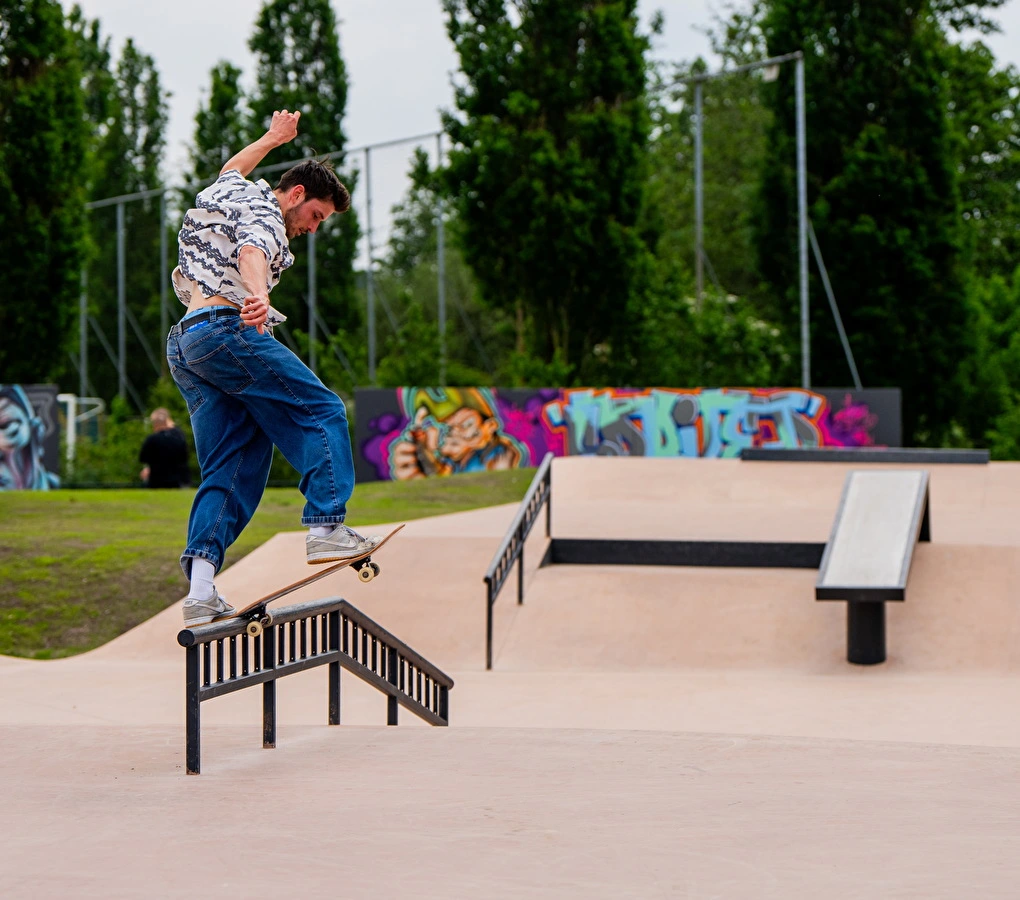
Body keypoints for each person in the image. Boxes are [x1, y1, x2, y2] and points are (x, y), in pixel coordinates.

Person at [167, 109, 379, 626]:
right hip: (226, 331)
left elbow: (229, 169)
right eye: (316, 218)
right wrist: (259, 297)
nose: (312, 229)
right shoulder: (264, 211)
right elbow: (253, 249)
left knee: (235, 459)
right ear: (298, 194)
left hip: (188, 345)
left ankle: (200, 588)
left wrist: (272, 138)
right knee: (322, 408)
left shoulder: (232, 190)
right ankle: (327, 527)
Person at [139, 407, 189, 488]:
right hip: (180, 481)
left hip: (156, 482)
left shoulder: (152, 439)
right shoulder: (179, 436)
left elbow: (143, 458)